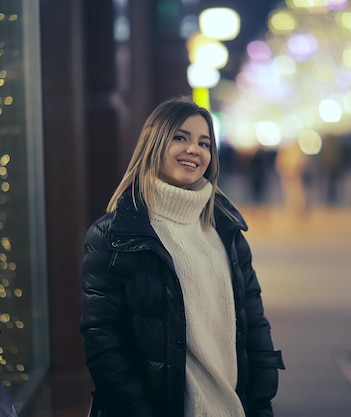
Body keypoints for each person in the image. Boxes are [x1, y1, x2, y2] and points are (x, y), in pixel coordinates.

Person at [80, 96, 284, 417]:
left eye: (204, 143)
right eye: (180, 137)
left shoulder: (227, 230)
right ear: (154, 145)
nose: (194, 149)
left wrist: (261, 402)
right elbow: (104, 342)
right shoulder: (114, 235)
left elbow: (255, 325)